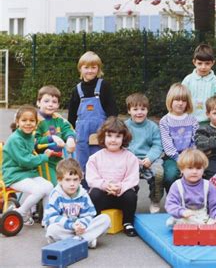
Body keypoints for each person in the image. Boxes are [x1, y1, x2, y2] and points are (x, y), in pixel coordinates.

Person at [86, 117, 140, 237]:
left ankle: (127, 222)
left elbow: (133, 178)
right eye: (109, 136)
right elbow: (91, 179)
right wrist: (105, 186)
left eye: (118, 136)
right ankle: (94, 221)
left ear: (124, 138)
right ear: (103, 137)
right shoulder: (95, 158)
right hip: (104, 195)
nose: (113, 140)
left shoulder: (130, 157)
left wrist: (120, 187)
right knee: (94, 194)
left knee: (131, 195)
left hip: (121, 195)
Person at [68, 51, 118, 179]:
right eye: (86, 67)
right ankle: (84, 190)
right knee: (82, 162)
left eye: (93, 67)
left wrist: (111, 128)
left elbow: (112, 110)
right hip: (81, 133)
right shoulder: (77, 89)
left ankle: (100, 190)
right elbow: (72, 113)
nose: (90, 71)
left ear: (98, 69)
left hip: (100, 130)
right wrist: (70, 133)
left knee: (100, 161)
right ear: (80, 69)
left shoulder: (104, 86)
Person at [2, 105, 54, 225]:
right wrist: (44, 157)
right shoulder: (15, 139)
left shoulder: (30, 136)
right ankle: (21, 212)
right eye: (24, 120)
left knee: (49, 187)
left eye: (32, 121)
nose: (28, 123)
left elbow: (31, 154)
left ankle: (47, 218)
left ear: (36, 123)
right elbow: (25, 160)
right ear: (17, 122)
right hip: (14, 174)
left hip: (28, 173)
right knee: (38, 191)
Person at [44, 158, 111, 248]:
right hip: (65, 228)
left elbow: (89, 214)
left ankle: (76, 240)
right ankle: (85, 240)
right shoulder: (55, 194)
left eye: (75, 179)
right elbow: (52, 217)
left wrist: (81, 225)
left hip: (81, 228)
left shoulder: (83, 194)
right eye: (68, 180)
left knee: (105, 219)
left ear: (80, 180)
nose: (72, 184)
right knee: (52, 230)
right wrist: (72, 225)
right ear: (59, 180)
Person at [164, 148, 216, 234]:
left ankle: (212, 227)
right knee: (183, 220)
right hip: (186, 217)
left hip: (204, 217)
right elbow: (171, 204)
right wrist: (181, 212)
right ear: (182, 169)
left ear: (203, 169)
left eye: (198, 168)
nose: (194, 172)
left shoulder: (208, 185)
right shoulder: (177, 186)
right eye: (190, 168)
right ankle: (208, 229)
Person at [125, 93, 164, 214]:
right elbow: (122, 145)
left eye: (143, 109)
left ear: (147, 110)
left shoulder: (152, 127)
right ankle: (130, 201)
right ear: (129, 111)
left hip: (150, 158)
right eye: (135, 109)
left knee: (158, 173)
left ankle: (155, 200)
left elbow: (157, 145)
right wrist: (133, 159)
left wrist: (149, 158)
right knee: (127, 174)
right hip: (130, 158)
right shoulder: (125, 126)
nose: (139, 112)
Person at [159, 83, 199, 191]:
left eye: (184, 100)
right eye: (177, 100)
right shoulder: (165, 121)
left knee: (196, 173)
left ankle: (191, 200)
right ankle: (173, 200)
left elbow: (195, 141)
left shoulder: (192, 120)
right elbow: (168, 146)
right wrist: (179, 160)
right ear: (170, 100)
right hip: (172, 157)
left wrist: (188, 159)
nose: (180, 103)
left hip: (190, 156)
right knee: (170, 175)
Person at [35, 85, 76, 185]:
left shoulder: (58, 118)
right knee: (55, 185)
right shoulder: (35, 120)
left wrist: (70, 138)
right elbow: (34, 141)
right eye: (46, 101)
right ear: (38, 102)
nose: (50, 105)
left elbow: (68, 128)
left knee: (69, 182)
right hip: (43, 161)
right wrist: (51, 138)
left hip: (58, 159)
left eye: (54, 102)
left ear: (58, 105)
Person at [182, 43, 216, 126]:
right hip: (188, 122)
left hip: (210, 123)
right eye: (200, 63)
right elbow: (180, 98)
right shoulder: (188, 80)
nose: (203, 67)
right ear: (194, 62)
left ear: (213, 63)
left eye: (207, 63)